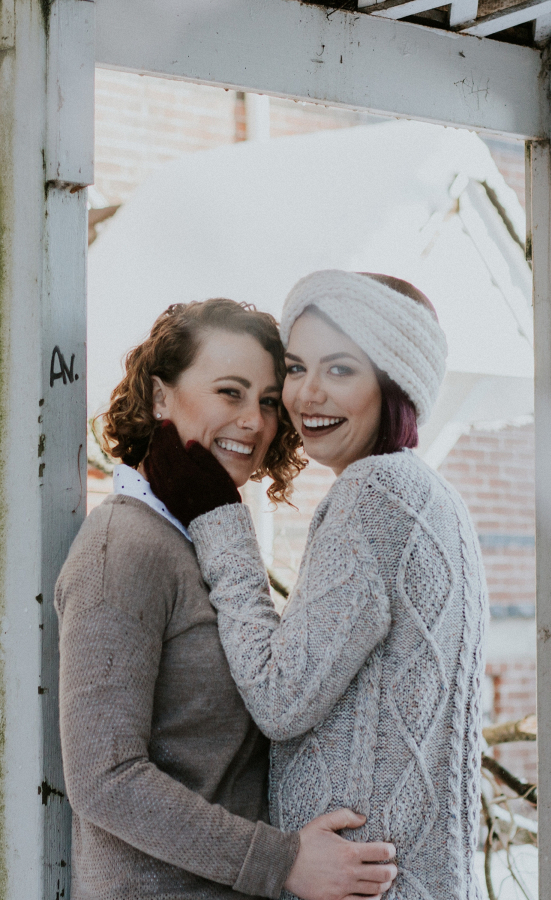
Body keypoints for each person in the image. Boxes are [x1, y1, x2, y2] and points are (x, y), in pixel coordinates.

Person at [147, 272, 489, 900]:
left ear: (394, 381)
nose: (306, 395)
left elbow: (280, 698)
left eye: (339, 370)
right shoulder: (435, 500)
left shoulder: (374, 495)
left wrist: (218, 517)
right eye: (297, 369)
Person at [55, 297, 398, 900]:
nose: (254, 421)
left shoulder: (202, 539)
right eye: (229, 393)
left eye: (268, 402)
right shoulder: (124, 546)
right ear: (161, 397)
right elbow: (104, 777)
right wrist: (282, 861)